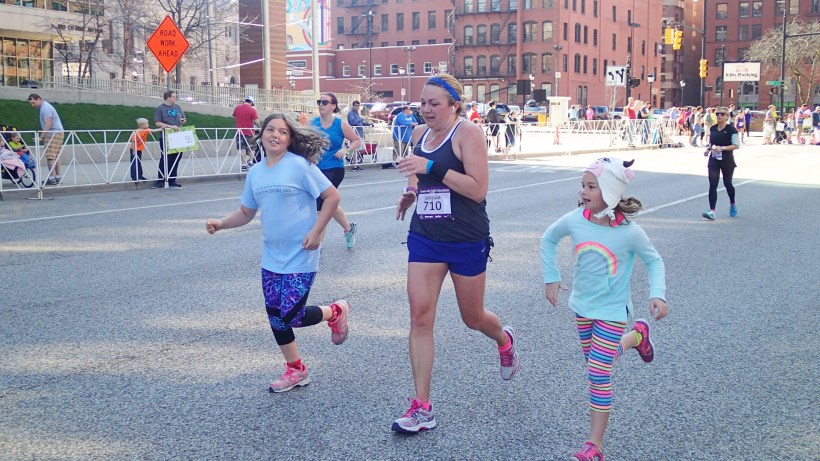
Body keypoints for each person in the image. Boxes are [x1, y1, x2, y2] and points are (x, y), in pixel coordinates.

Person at [392, 73, 520, 433]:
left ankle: (504, 339)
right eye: (423, 102)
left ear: (454, 105)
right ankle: (422, 408)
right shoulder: (419, 134)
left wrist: (431, 167)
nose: (426, 109)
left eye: (434, 103)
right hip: (426, 236)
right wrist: (411, 191)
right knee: (419, 316)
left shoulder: (468, 134)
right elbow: (418, 176)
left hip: (465, 237)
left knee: (473, 317)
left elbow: (478, 189)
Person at [205, 112, 350, 393]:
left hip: (302, 253)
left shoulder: (300, 166)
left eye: (282, 132)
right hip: (272, 255)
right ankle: (296, 370)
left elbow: (332, 196)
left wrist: (318, 231)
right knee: (275, 316)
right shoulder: (256, 172)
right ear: (261, 135)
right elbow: (247, 212)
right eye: (270, 130)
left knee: (292, 315)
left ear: (290, 138)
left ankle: (335, 311)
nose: (275, 135)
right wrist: (221, 224)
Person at [541, 157, 668, 461]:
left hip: (613, 312)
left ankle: (594, 446)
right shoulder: (575, 219)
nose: (583, 191)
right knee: (599, 360)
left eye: (591, 186)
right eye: (583, 185)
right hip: (582, 307)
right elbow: (549, 238)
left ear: (609, 192)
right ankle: (637, 336)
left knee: (598, 371)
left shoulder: (630, 232)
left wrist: (658, 294)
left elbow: (654, 260)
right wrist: (552, 276)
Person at [311, 92, 362, 249]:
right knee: (329, 204)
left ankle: (317, 245)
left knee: (321, 208)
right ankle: (348, 228)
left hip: (334, 167)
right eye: (319, 102)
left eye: (325, 102)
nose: (321, 105)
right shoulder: (313, 123)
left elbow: (357, 140)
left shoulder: (340, 124)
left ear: (333, 106)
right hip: (315, 169)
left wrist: (346, 149)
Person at [702, 106, 740, 221]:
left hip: (727, 160)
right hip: (713, 159)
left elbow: (736, 145)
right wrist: (708, 150)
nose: (719, 116)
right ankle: (712, 211)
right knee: (713, 184)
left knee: (727, 183)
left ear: (727, 116)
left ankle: (732, 203)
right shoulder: (713, 129)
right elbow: (711, 143)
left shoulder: (732, 130)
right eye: (717, 113)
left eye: (722, 114)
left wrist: (722, 148)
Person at [151, 90, 187, 189]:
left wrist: (182, 121)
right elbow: (158, 123)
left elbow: (183, 118)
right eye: (173, 97)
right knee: (165, 158)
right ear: (168, 97)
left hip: (177, 135)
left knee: (177, 157)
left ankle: (172, 179)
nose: (175, 98)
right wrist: (170, 126)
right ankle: (161, 180)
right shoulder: (160, 108)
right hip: (166, 135)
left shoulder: (177, 107)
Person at [27, 93, 64, 186]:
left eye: (34, 103)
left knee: (50, 156)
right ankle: (57, 177)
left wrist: (41, 136)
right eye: (31, 103)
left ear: (39, 99)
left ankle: (52, 178)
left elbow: (48, 124)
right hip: (57, 132)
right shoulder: (46, 107)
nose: (33, 105)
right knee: (55, 156)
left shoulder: (45, 108)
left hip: (53, 133)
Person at [233, 96, 261, 171]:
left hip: (240, 132)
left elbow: (235, 116)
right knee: (252, 147)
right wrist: (260, 127)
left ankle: (243, 165)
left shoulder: (237, 108)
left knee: (242, 148)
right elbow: (257, 121)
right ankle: (251, 162)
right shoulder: (252, 110)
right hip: (250, 132)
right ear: (251, 102)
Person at [346, 100, 372, 171]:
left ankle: (350, 157)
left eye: (358, 105)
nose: (357, 107)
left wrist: (368, 124)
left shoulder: (357, 113)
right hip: (355, 133)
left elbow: (360, 123)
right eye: (356, 105)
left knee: (361, 149)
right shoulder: (351, 113)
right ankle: (354, 163)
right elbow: (353, 122)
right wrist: (362, 118)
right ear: (353, 105)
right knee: (355, 149)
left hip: (360, 133)